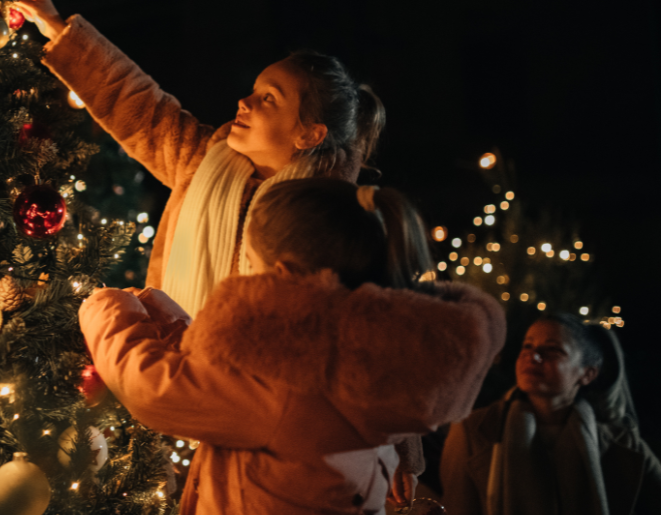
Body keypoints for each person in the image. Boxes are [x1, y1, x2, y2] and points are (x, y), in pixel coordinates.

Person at [78, 179, 506, 514]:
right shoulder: (364, 353)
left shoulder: (286, 384)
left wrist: (106, 303)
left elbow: (151, 384)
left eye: (251, 263)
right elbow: (229, 378)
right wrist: (162, 314)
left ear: (282, 273)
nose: (245, 273)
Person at [15, 0, 384, 318]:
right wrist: (57, 29)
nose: (244, 102)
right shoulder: (202, 161)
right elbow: (139, 104)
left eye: (268, 98)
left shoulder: (332, 225)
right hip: (176, 369)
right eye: (254, 90)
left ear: (309, 134)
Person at [440, 313, 661, 515]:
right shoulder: (474, 431)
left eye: (553, 350)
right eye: (527, 346)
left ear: (587, 373)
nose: (533, 357)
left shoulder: (622, 442)